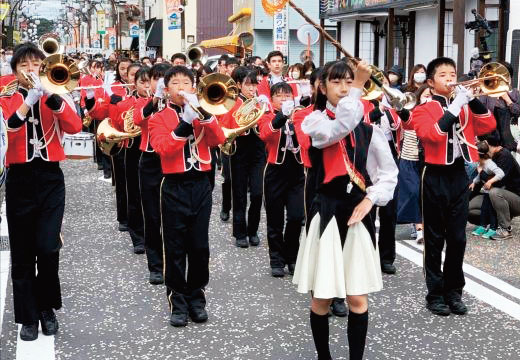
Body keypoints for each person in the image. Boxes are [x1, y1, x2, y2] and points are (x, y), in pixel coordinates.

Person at [293, 59, 397, 360]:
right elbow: (337, 129)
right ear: (322, 87)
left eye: (348, 81)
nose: (343, 87)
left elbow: (388, 174)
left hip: (357, 214)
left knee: (357, 298)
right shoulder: (313, 121)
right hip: (326, 212)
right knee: (322, 298)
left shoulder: (370, 130)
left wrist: (370, 199)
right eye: (336, 81)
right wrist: (359, 90)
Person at [0, 43, 82, 341]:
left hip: (50, 177)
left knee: (48, 248)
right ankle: (28, 316)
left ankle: (47, 307)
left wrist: (52, 99)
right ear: (15, 69)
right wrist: (27, 102)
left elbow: (75, 126)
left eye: (36, 63)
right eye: (24, 65)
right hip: (20, 178)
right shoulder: (6, 97)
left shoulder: (56, 91)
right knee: (22, 252)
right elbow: (7, 129)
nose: (31, 69)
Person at [403, 57, 496, 316]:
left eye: (452, 73)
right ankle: (434, 293)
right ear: (431, 82)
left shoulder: (465, 105)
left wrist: (473, 98)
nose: (450, 78)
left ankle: (454, 291)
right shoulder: (423, 108)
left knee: (458, 237)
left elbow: (489, 125)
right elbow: (432, 135)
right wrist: (455, 105)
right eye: (443, 75)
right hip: (433, 175)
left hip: (458, 174)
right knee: (434, 239)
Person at [149, 66, 225, 327]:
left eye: (186, 82)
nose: (181, 87)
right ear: (167, 90)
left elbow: (219, 139)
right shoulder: (158, 117)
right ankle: (177, 299)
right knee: (175, 247)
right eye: (175, 83)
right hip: (173, 185)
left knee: (199, 246)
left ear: (194, 87)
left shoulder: (204, 111)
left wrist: (203, 116)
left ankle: (197, 296)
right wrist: (184, 124)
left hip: (201, 184)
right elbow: (163, 149)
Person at [258, 82, 304, 277]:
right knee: (275, 220)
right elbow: (265, 134)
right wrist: (282, 116)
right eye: (279, 96)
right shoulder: (267, 116)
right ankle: (276, 259)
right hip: (275, 172)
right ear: (272, 99)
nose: (284, 99)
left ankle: (292, 256)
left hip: (297, 171)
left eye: (288, 96)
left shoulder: (301, 115)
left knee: (296, 217)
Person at [132, 63, 171, 284]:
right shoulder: (144, 101)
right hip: (149, 160)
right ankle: (155, 265)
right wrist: (155, 100)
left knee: (172, 216)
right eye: (156, 78)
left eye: (165, 78)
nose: (160, 83)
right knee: (152, 216)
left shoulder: (180, 102)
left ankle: (173, 261)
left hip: (173, 161)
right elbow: (138, 120)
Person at [220, 66, 266, 248]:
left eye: (254, 84)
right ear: (238, 85)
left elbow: (266, 125)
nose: (252, 88)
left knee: (257, 193)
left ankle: (253, 230)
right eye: (248, 85)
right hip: (239, 149)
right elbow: (225, 125)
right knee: (239, 194)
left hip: (258, 150)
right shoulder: (232, 103)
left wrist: (265, 108)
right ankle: (240, 232)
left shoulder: (260, 102)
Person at [397, 84, 430, 244]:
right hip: (409, 159)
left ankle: (420, 225)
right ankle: (419, 229)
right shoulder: (411, 113)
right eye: (425, 95)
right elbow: (405, 121)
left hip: (426, 161)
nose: (428, 98)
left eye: (431, 95)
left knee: (424, 194)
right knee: (414, 192)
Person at [484, 133, 520, 240]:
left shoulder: (504, 156)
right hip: (508, 195)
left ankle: (505, 229)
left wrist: (482, 171)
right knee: (472, 208)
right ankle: (488, 224)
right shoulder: (494, 155)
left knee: (494, 192)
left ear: (489, 145)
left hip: (517, 197)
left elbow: (497, 182)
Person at [479, 61, 520, 153]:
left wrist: (507, 100)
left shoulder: (515, 93)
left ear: (508, 77)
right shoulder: (487, 91)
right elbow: (480, 111)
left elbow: (517, 112)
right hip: (490, 138)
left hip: (508, 139)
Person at [468, 141, 504, 239]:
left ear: (479, 155)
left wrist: (490, 181)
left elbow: (501, 173)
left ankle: (493, 228)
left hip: (493, 191)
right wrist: (474, 182)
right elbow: (480, 175)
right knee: (484, 209)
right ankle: (483, 226)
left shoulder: (489, 164)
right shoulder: (481, 164)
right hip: (486, 192)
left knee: (492, 210)